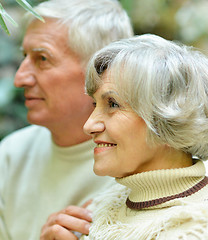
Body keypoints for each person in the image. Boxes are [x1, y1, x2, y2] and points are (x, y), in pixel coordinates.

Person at [0, 0, 133, 239]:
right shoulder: (13, 154)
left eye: (42, 59)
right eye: (24, 56)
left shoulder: (147, 163)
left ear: (101, 71)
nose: (20, 78)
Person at [41, 34, 208, 240]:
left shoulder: (194, 228)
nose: (89, 125)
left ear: (171, 116)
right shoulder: (103, 207)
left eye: (112, 104)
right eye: (95, 104)